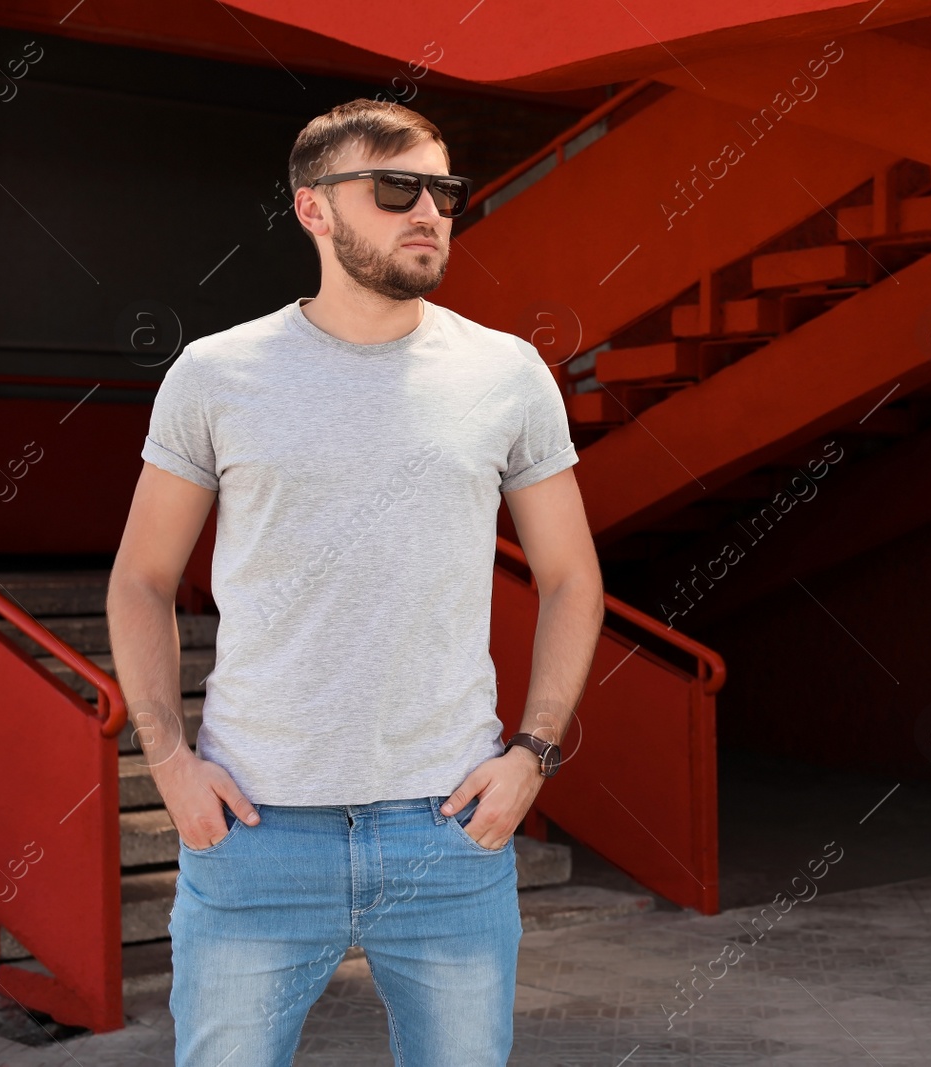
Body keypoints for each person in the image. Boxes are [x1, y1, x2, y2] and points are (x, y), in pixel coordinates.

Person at [106, 98, 604, 1066]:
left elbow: (571, 576)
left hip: (448, 827)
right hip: (254, 827)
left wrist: (532, 753)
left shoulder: (505, 371)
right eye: (394, 187)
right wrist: (166, 758)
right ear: (314, 209)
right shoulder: (217, 372)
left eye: (444, 191)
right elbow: (141, 577)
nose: (428, 211)